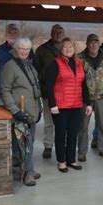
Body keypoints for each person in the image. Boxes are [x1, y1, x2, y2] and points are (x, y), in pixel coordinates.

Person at [0, 37, 42, 186]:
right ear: (16, 50)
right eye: (22, 49)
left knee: (30, 143)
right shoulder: (10, 66)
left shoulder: (29, 65)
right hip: (20, 112)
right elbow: (5, 90)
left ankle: (29, 168)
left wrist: (39, 108)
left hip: (32, 112)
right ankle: (27, 175)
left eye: (27, 49)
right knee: (23, 145)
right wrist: (15, 110)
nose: (24, 51)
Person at [46, 38, 92, 173]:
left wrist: (88, 103)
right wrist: (52, 104)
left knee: (73, 134)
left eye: (70, 47)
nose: (68, 49)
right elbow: (49, 85)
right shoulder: (55, 64)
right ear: (61, 49)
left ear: (74, 48)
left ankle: (71, 159)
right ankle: (61, 161)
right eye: (65, 47)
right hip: (60, 107)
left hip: (76, 106)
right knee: (61, 134)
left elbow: (83, 85)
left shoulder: (78, 63)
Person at [77, 34, 103, 161]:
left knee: (101, 124)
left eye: (96, 42)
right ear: (87, 44)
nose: (94, 45)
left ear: (99, 44)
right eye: (91, 43)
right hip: (85, 99)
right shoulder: (79, 58)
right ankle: (82, 152)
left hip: (102, 96)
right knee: (83, 126)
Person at [35, 24, 65, 159]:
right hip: (49, 91)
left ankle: (62, 144)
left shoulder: (68, 48)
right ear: (51, 33)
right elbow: (35, 71)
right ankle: (48, 145)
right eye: (55, 32)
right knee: (49, 121)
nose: (58, 34)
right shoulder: (42, 50)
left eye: (60, 32)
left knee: (63, 121)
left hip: (65, 92)